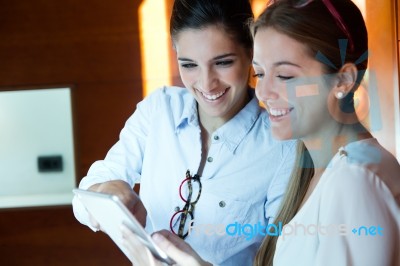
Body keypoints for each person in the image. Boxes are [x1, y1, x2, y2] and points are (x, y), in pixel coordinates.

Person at [120, 0, 400, 265]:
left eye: (285, 76)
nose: (264, 92)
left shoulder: (354, 181)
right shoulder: (315, 173)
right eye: (261, 74)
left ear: (343, 79)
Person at [72, 0, 297, 265]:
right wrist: (107, 192)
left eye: (223, 62)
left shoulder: (283, 147)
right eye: (189, 65)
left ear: (251, 52)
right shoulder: (159, 110)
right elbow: (84, 198)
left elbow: (285, 257)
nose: (206, 83)